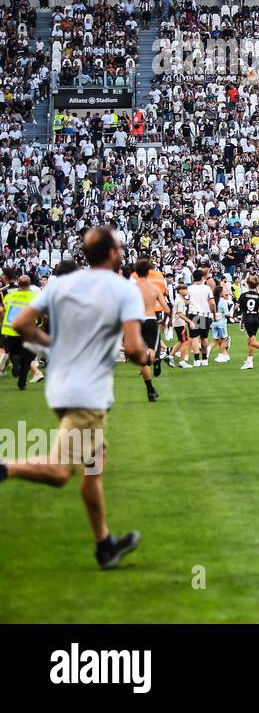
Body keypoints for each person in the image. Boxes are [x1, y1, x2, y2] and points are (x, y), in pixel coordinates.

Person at [1, 227, 149, 569]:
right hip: (88, 394)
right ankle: (4, 468)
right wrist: (145, 359)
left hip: (61, 388)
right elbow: (135, 347)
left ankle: (104, 544)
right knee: (59, 471)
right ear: (112, 253)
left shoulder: (63, 284)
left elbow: (21, 321)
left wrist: (51, 344)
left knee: (94, 466)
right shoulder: (121, 289)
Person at [131, 259, 169, 402]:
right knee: (150, 354)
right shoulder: (154, 288)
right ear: (149, 271)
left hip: (136, 320)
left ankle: (150, 389)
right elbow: (166, 309)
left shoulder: (132, 288)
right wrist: (165, 322)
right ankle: (155, 359)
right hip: (151, 319)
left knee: (143, 360)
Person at [2, 274, 42, 389]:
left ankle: (16, 363)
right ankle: (22, 382)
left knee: (14, 352)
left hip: (11, 331)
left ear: (18, 284)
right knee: (28, 357)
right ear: (29, 285)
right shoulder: (35, 297)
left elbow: (2, 311)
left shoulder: (9, 296)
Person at [237, 275, 259, 369]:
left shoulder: (244, 295)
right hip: (256, 319)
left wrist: (235, 312)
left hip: (248, 319)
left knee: (252, 341)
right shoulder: (258, 296)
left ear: (247, 284)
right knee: (251, 339)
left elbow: (237, 306)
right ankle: (249, 360)